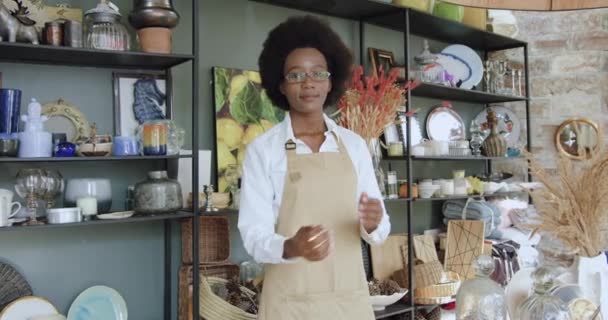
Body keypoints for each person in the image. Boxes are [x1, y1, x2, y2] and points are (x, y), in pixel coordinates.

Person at [238, 15, 390, 320]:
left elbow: (380, 227)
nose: (308, 83)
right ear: (280, 84)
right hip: (289, 303)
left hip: (348, 300)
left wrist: (373, 223)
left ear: (331, 81)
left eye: (318, 73)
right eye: (295, 75)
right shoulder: (263, 151)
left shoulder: (354, 145)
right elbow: (253, 235)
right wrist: (291, 246)